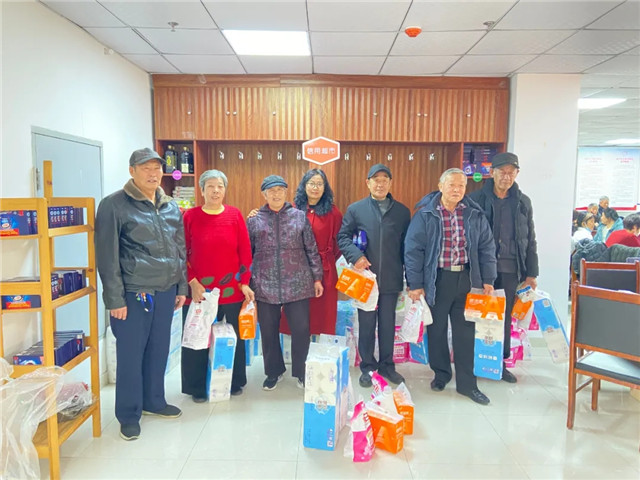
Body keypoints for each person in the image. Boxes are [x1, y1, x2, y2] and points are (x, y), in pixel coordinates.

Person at [95, 148, 187, 441]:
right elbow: (107, 257)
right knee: (131, 354)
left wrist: (181, 286)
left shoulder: (170, 206)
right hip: (134, 293)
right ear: (132, 170)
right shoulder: (114, 205)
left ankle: (154, 401)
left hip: (166, 291)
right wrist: (115, 299)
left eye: (156, 168)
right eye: (145, 168)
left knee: (159, 349)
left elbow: (180, 249)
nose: (152, 173)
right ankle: (128, 414)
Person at [405, 168, 497, 405]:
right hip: (437, 280)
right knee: (436, 330)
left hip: (467, 279)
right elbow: (413, 250)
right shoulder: (426, 214)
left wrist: (488, 279)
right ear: (441, 186)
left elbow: (487, 247)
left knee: (465, 332)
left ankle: (467, 384)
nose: (457, 190)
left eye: (461, 186)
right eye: (452, 185)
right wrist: (415, 284)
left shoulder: (474, 214)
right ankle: (441, 374)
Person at [181, 170, 254, 402]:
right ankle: (196, 387)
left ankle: (234, 381)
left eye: (220, 186)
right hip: (199, 291)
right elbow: (181, 252)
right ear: (202, 190)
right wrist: (192, 281)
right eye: (210, 186)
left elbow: (245, 251)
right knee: (197, 337)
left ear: (225, 189)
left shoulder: (234, 215)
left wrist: (245, 283)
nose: (215, 191)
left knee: (234, 338)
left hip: (232, 289)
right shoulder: (190, 216)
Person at [247, 175, 324, 390]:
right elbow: (246, 254)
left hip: (297, 281)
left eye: (280, 190)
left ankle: (302, 372)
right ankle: (273, 372)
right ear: (264, 194)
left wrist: (317, 277)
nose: (276, 194)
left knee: (301, 329)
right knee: (268, 330)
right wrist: (246, 282)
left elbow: (311, 248)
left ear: (286, 192)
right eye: (271, 191)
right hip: (265, 282)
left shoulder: (299, 217)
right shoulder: (254, 220)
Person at [337, 164, 410, 388]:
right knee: (367, 324)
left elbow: (408, 246)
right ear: (367, 183)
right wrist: (356, 256)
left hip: (391, 278)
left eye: (384, 179)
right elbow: (343, 237)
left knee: (388, 325)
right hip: (365, 280)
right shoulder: (356, 209)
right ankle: (367, 366)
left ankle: (387, 366)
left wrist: (411, 279)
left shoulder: (402, 212)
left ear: (390, 183)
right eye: (375, 179)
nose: (380, 184)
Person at [468, 152, 539, 384]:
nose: (506, 177)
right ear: (492, 172)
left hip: (510, 268)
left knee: (504, 318)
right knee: (478, 316)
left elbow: (530, 239)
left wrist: (531, 273)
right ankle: (474, 362)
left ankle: (500, 363)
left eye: (511, 172)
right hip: (481, 269)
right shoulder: (475, 199)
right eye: (502, 172)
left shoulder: (522, 202)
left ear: (516, 174)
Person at [280, 169, 343, 335]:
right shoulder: (293, 210)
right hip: (297, 268)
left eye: (319, 184)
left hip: (325, 269)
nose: (315, 187)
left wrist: (326, 258)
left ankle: (320, 350)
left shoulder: (334, 212)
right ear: (304, 186)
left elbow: (338, 243)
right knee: (297, 316)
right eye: (312, 183)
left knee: (323, 316)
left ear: (325, 188)